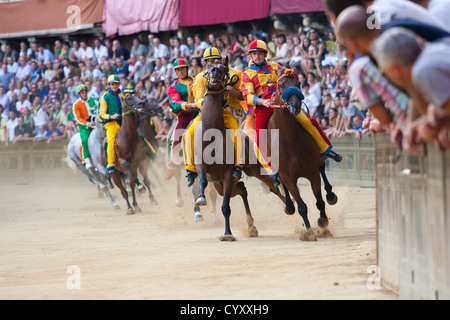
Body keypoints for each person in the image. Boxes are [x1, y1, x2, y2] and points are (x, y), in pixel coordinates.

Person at [241, 40, 342, 187]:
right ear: (251, 55)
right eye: (254, 53)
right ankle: (272, 172)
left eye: (260, 53)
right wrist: (262, 102)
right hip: (263, 108)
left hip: (283, 105)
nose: (257, 56)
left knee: (309, 122)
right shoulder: (247, 74)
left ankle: (326, 150)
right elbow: (248, 95)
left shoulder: (276, 67)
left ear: (264, 54)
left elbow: (288, 78)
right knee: (259, 139)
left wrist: (291, 73)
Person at [182, 47, 244, 187]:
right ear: (205, 63)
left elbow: (242, 95)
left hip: (226, 112)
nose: (212, 63)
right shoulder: (199, 77)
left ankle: (238, 167)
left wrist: (232, 90)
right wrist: (204, 103)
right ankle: (190, 170)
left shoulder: (235, 73)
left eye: (216, 60)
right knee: (187, 135)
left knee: (237, 134)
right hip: (205, 114)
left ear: (221, 60)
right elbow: (197, 97)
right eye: (209, 61)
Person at [165, 58, 199, 180]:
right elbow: (175, 102)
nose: (181, 71)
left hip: (201, 112)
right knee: (176, 136)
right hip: (185, 115)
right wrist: (191, 105)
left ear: (187, 68)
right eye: (178, 70)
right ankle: (172, 164)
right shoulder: (173, 87)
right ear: (175, 72)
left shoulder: (197, 80)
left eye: (182, 69)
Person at [99, 75, 124, 173]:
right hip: (111, 125)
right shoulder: (105, 97)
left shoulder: (123, 94)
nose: (115, 86)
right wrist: (111, 117)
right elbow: (102, 115)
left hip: (123, 122)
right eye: (112, 84)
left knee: (138, 135)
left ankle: (150, 153)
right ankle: (110, 164)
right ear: (109, 85)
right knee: (111, 141)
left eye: (116, 84)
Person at [72, 84, 99, 169]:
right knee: (84, 140)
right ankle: (87, 160)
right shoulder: (76, 104)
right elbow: (78, 118)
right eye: (82, 93)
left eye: (85, 92)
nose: (84, 94)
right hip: (84, 127)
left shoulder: (94, 100)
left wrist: (96, 121)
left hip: (96, 124)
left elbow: (99, 110)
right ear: (79, 94)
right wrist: (88, 124)